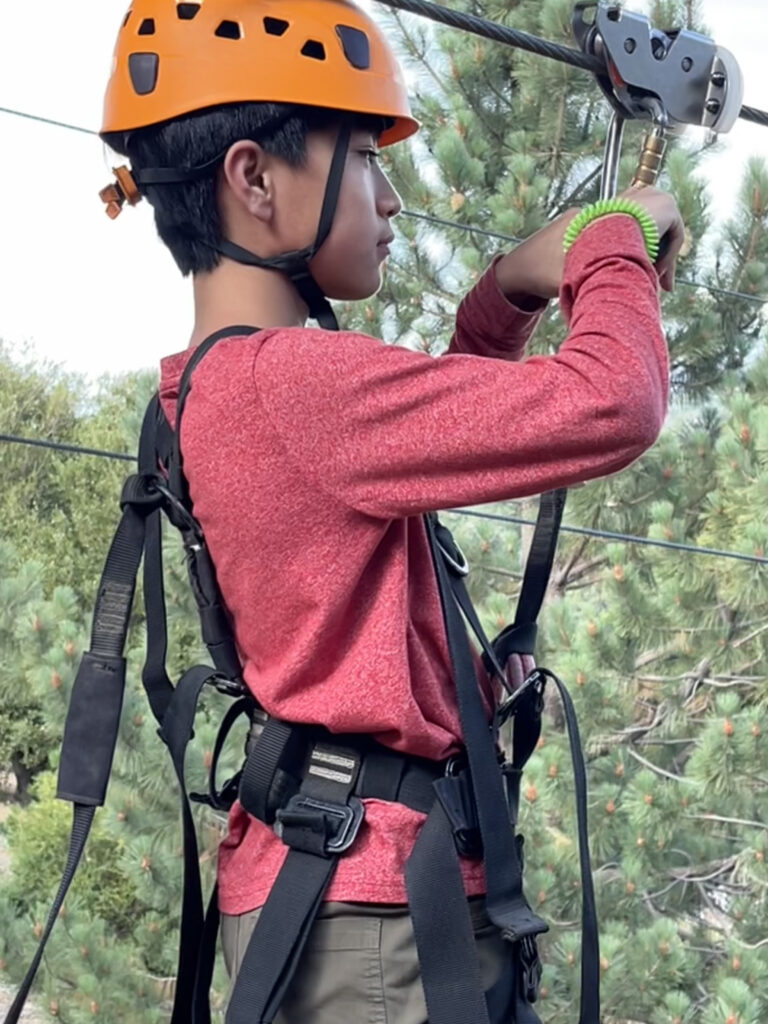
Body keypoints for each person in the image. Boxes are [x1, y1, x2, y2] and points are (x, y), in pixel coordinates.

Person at [98, 1, 685, 1021]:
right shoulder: (297, 385)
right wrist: (614, 242)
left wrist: (503, 296)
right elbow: (615, 399)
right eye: (367, 157)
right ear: (253, 180)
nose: (393, 200)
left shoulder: (222, 383)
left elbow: (423, 437)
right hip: (372, 923)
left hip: (340, 892)